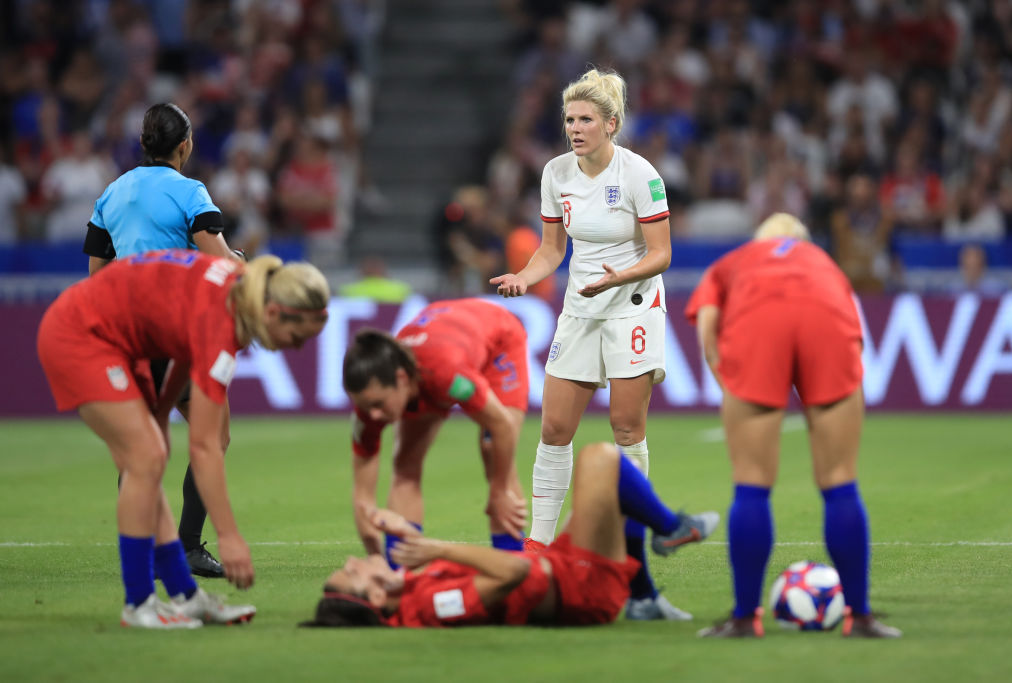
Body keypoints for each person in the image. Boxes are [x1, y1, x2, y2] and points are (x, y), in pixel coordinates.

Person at [36, 250, 330, 628]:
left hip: (120, 342)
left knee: (149, 455)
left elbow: (183, 350)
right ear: (274, 313)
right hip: (81, 334)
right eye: (297, 337)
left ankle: (185, 596)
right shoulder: (223, 320)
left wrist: (160, 412)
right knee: (145, 456)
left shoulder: (241, 294)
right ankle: (139, 603)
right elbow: (205, 445)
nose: (296, 348)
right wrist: (229, 537)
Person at [489, 68, 679, 620]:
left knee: (625, 426)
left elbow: (661, 253)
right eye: (569, 119)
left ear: (611, 124)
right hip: (580, 307)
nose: (574, 128)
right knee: (553, 428)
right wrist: (526, 276)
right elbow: (552, 249)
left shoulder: (641, 174)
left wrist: (617, 278)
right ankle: (539, 545)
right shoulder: (555, 173)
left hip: (633, 305)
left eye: (585, 120)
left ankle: (628, 548)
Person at [684, 213, 901, 639]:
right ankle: (861, 617)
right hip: (827, 317)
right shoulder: (822, 260)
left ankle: (746, 617)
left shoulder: (738, 259)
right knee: (840, 480)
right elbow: (852, 331)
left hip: (758, 319)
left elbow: (708, 330)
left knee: (751, 483)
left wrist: (734, 386)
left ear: (761, 238)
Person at [301, 442, 718, 628]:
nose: (352, 561)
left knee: (608, 477)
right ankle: (671, 531)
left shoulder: (407, 591)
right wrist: (439, 547)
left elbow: (433, 566)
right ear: (375, 597)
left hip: (564, 567)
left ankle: (646, 598)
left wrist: (404, 532)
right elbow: (512, 575)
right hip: (583, 588)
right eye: (351, 573)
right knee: (601, 460)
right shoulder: (432, 607)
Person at [82, 103, 242, 579]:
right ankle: (189, 546)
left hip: (127, 333)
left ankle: (144, 545)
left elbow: (96, 274)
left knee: (140, 446)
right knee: (213, 436)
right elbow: (219, 261)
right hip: (176, 331)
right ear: (185, 146)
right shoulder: (189, 190)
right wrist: (242, 260)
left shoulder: (112, 192)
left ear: (143, 144)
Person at [343, 299, 529, 564]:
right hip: (442, 341)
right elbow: (363, 497)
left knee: (494, 453)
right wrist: (375, 557)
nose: (373, 416)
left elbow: (501, 425)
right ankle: (399, 569)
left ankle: (512, 565)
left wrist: (498, 492)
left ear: (401, 379)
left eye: (378, 404)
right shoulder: (370, 405)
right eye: (364, 407)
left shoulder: (447, 375)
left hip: (498, 340)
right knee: (405, 464)